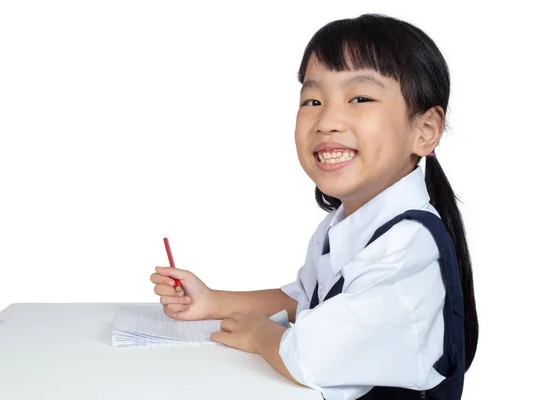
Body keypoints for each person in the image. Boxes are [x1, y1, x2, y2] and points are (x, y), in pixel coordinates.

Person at [150, 13, 478, 400]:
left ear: (424, 130)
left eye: (360, 98)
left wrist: (260, 334)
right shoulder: (342, 224)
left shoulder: (408, 249)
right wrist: (211, 301)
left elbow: (309, 357)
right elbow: (305, 298)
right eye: (313, 100)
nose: (327, 120)